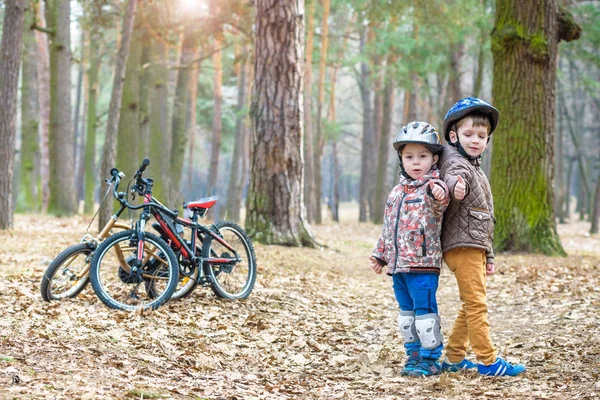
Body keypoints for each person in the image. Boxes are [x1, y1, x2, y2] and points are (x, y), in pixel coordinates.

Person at [438, 97, 526, 376]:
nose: (475, 140)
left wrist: (489, 254)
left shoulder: (474, 166)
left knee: (470, 303)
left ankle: (453, 357)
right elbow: (452, 177)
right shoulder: (457, 163)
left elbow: (483, 218)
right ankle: (487, 361)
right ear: (453, 136)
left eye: (481, 136)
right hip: (462, 246)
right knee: (477, 304)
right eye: (468, 134)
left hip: (473, 246)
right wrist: (455, 187)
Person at [370, 121, 450, 377]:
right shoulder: (395, 192)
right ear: (401, 160)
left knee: (425, 317)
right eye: (409, 157)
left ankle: (431, 358)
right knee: (406, 318)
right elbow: (388, 227)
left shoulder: (433, 187)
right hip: (398, 267)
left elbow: (442, 203)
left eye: (423, 156)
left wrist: (440, 192)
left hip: (423, 266)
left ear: (434, 158)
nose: (416, 162)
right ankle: (413, 356)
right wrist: (380, 254)